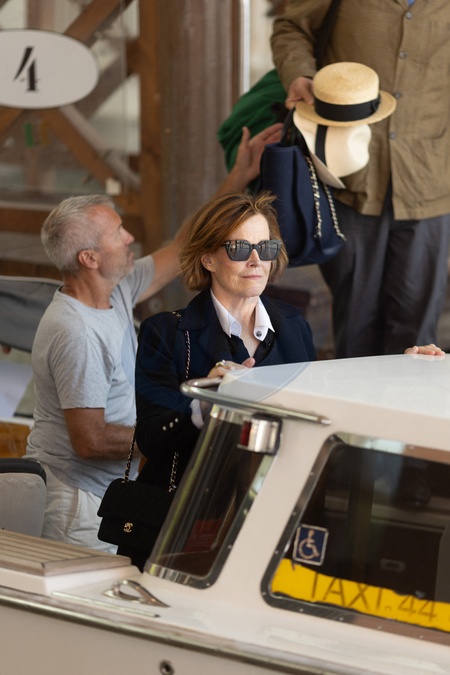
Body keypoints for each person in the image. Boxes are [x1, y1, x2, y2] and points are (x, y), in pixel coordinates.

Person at [126, 191, 443, 569]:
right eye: (240, 248)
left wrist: (401, 372)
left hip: (279, 525)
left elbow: (320, 410)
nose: (256, 261)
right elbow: (151, 437)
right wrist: (207, 402)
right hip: (188, 527)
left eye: (266, 247)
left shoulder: (293, 325)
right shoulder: (166, 332)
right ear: (207, 258)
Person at [24, 122, 283, 553]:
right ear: (89, 258)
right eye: (117, 234)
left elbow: (184, 243)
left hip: (106, 490)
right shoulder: (75, 331)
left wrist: (238, 176)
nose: (130, 237)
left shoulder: (117, 288)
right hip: (78, 505)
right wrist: (182, 429)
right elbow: (90, 440)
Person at [270, 0, 450, 358]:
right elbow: (291, 27)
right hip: (347, 175)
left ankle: (410, 398)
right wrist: (299, 74)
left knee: (418, 336)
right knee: (355, 325)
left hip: (430, 178)